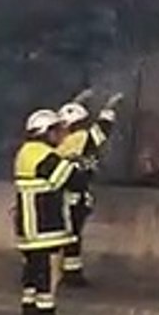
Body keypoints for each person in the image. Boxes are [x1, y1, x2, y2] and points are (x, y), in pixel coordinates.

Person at [14, 108, 86, 315]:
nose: (60, 135)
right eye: (56, 130)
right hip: (43, 225)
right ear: (46, 132)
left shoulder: (26, 152)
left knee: (33, 271)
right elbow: (72, 180)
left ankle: (30, 312)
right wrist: (78, 164)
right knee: (47, 271)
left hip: (29, 225)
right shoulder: (42, 155)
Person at [57, 90, 124, 287]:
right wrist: (110, 107)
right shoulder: (80, 139)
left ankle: (68, 270)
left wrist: (77, 101)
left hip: (62, 193)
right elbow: (102, 130)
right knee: (72, 235)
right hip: (73, 195)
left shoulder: (59, 140)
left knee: (68, 234)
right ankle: (71, 273)